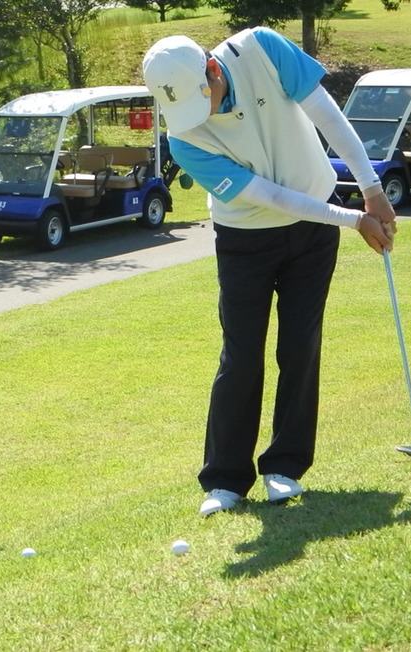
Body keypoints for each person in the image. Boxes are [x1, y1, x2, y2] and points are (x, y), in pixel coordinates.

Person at [142, 28, 397, 516]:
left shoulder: (260, 48)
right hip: (245, 239)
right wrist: (353, 218)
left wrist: (370, 187)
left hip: (313, 226)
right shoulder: (183, 138)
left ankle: (284, 467)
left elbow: (326, 113)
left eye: (206, 101)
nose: (205, 117)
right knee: (241, 353)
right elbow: (269, 196)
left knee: (300, 344)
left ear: (213, 70)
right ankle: (225, 479)